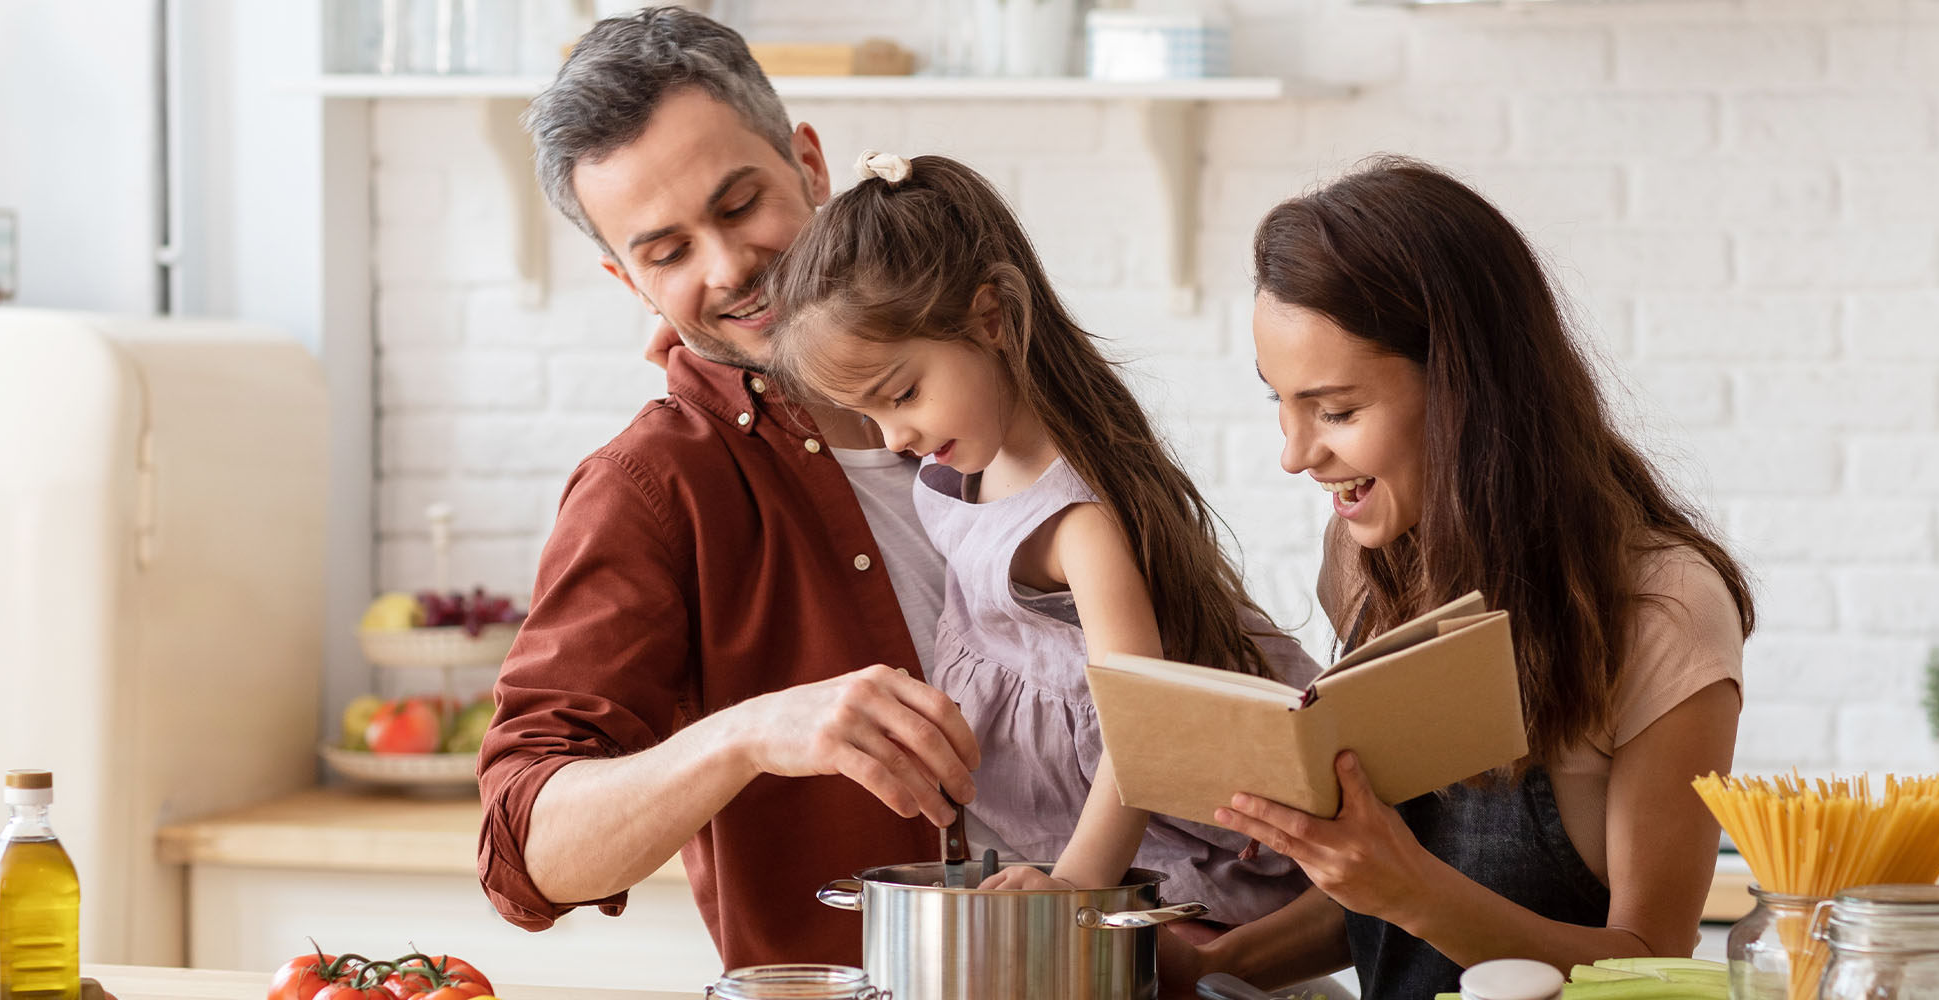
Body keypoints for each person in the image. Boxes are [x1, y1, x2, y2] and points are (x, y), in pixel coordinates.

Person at [470, 9, 980, 970]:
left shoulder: (998, 368)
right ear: (628, 280)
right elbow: (526, 850)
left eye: (741, 204)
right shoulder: (651, 487)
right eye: (667, 253)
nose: (730, 267)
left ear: (811, 167)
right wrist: (748, 734)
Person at [1198, 158, 1757, 998]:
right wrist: (1208, 968)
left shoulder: (1662, 611)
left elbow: (1653, 963)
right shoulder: (1368, 558)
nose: (1296, 455)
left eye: (1338, 412)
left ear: (1467, 391)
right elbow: (1380, 896)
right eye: (1279, 402)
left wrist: (1405, 887)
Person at [755, 151, 1318, 931]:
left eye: (904, 394)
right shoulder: (963, 473)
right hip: (1053, 841)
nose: (896, 436)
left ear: (991, 319)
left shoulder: (1075, 523)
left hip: (1150, 854)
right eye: (871, 415)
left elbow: (1143, 727)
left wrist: (1078, 886)